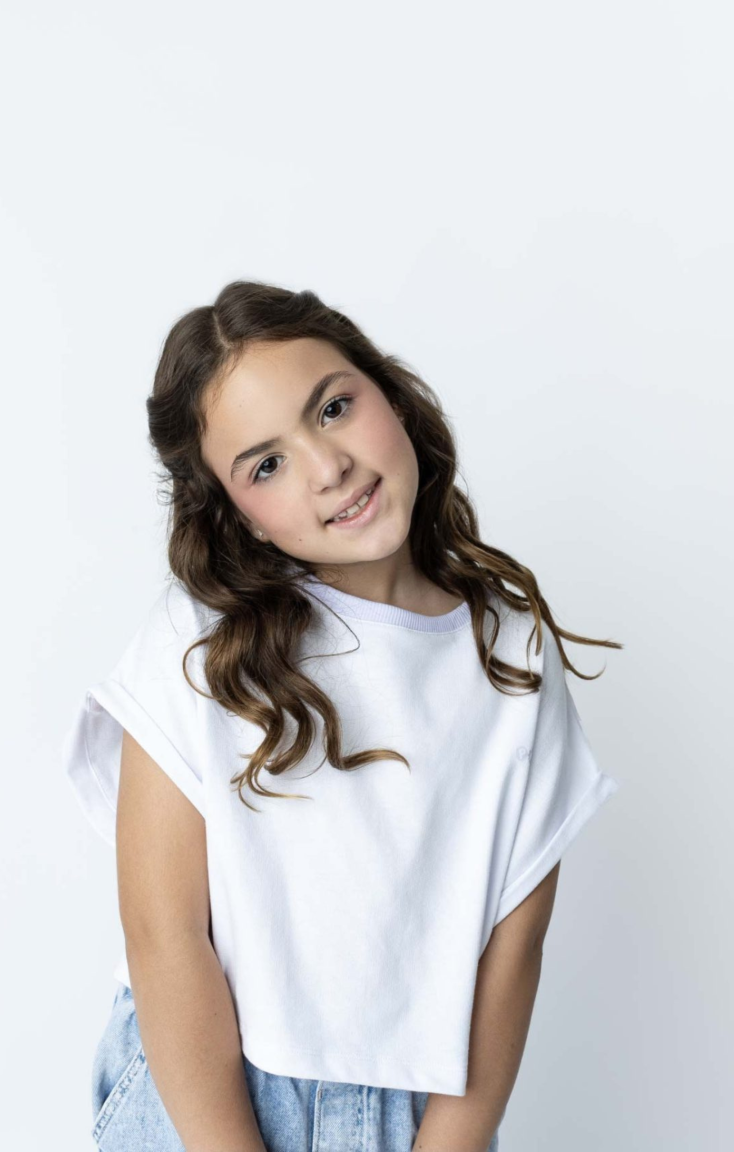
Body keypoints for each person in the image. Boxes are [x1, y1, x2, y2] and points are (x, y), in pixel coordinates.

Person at [62, 279, 622, 1152]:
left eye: (332, 408)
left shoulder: (511, 657)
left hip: (419, 1110)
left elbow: (513, 951)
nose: (329, 468)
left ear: (388, 391)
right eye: (267, 464)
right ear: (238, 516)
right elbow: (165, 937)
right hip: (205, 1096)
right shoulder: (201, 643)